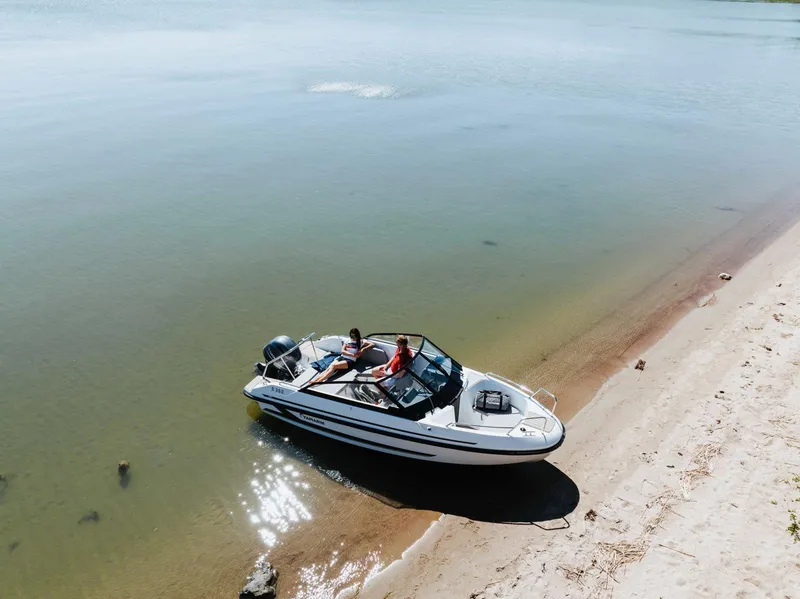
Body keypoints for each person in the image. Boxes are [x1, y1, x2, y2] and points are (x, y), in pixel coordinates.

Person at [308, 328, 374, 385]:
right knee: (329, 367)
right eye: (352, 336)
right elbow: (342, 351)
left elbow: (372, 344)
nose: (353, 338)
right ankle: (315, 380)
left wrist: (363, 349)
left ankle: (319, 381)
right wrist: (352, 355)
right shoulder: (348, 340)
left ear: (357, 336)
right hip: (342, 357)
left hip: (350, 360)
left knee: (333, 366)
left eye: (354, 336)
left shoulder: (361, 341)